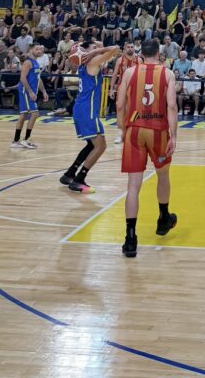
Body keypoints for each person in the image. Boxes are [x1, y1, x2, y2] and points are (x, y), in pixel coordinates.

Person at [116, 38, 178, 258]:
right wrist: (174, 136)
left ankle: (130, 238)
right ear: (159, 55)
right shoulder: (168, 74)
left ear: (141, 54)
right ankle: (163, 218)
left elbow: (120, 104)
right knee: (162, 175)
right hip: (158, 130)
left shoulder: (130, 73)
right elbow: (171, 106)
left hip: (134, 129)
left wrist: (123, 129)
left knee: (133, 186)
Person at [60, 42, 120, 193]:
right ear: (85, 53)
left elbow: (101, 45)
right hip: (87, 110)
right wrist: (94, 51)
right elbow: (115, 49)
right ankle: (79, 180)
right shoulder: (92, 61)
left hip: (81, 108)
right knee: (101, 146)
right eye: (93, 49)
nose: (97, 49)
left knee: (91, 145)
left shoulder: (85, 63)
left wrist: (92, 48)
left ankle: (69, 174)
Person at [11, 43, 48, 149]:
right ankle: (26, 139)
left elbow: (38, 79)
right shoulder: (28, 62)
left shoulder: (36, 62)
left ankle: (15, 141)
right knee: (35, 114)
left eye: (41, 49)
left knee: (23, 115)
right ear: (31, 50)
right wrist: (30, 92)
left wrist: (44, 91)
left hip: (30, 91)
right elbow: (22, 78)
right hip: (25, 91)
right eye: (37, 49)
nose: (39, 51)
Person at [109, 41, 140, 145]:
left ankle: (133, 132)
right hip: (122, 87)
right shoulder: (120, 60)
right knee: (120, 108)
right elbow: (114, 75)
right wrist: (111, 89)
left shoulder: (139, 60)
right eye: (128, 47)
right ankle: (120, 133)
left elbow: (143, 75)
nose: (130, 48)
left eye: (132, 47)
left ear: (134, 48)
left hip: (135, 88)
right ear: (125, 49)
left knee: (134, 110)